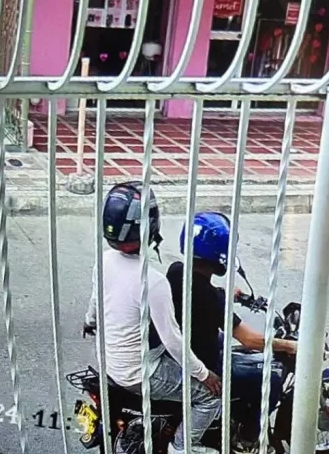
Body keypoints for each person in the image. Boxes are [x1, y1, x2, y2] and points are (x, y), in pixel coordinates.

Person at [84, 182, 221, 454]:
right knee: (210, 398)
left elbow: (95, 302)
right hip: (138, 372)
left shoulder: (105, 260)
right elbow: (173, 340)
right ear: (151, 227)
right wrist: (205, 375)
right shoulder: (153, 281)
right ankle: (181, 448)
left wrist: (89, 321)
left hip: (108, 362)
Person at [158, 211, 298, 451]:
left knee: (229, 346)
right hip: (201, 361)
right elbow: (249, 338)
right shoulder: (211, 299)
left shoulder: (177, 270)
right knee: (271, 378)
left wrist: (226, 294)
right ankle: (249, 439)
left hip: (186, 345)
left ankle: (233, 416)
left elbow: (197, 293)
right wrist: (289, 345)